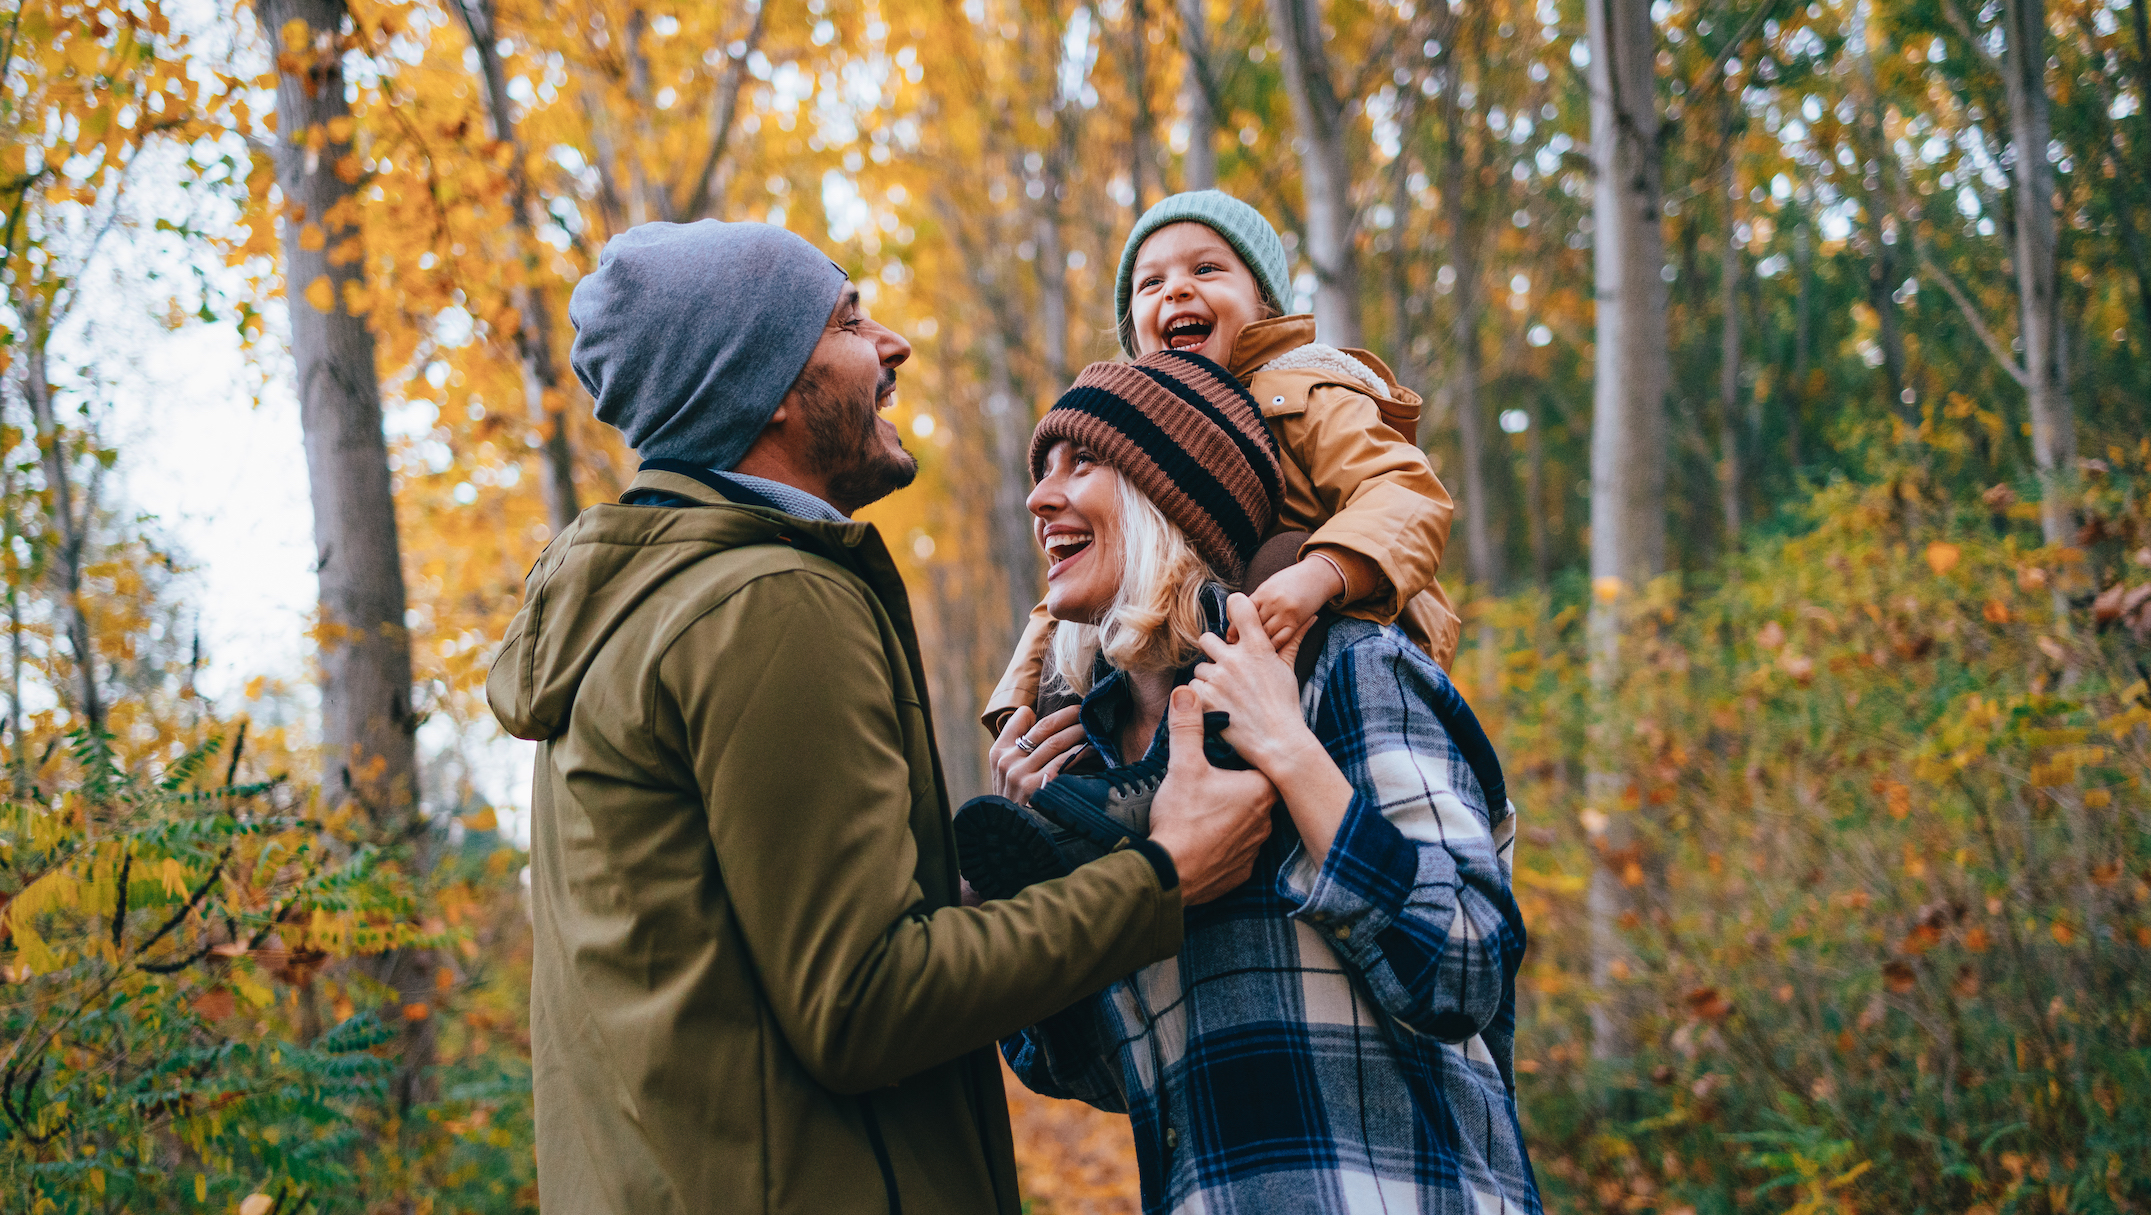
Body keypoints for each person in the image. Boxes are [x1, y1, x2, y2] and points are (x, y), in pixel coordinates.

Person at [485, 219, 1277, 1215]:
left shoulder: (645, 607)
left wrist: (967, 896)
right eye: (852, 321)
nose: (893, 344)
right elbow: (863, 1003)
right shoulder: (762, 602)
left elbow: (751, 964)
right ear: (768, 384)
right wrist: (1164, 875)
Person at [995, 355, 1540, 1213]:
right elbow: (1098, 1072)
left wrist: (1290, 750)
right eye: (1040, 472)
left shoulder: (1349, 672)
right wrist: (1028, 875)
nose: (1039, 498)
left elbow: (1465, 964)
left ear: (1168, 494)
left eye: (1081, 462)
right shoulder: (1087, 769)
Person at [983, 188, 1462, 743]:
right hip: (1204, 638)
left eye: (1207, 269)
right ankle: (1092, 775)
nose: (1178, 289)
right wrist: (1018, 708)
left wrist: (1319, 574)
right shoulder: (1148, 428)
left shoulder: (1306, 391)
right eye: (1151, 283)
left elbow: (1404, 490)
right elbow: (1073, 576)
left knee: (1276, 562)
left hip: (1339, 618)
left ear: (1263, 302)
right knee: (1093, 631)